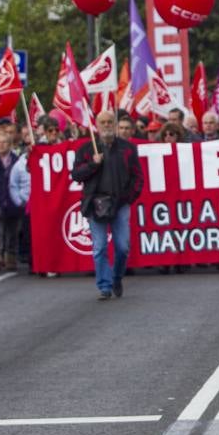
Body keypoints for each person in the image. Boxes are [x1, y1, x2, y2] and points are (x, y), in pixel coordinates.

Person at [70, 110, 143, 301]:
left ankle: (117, 276)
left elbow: (138, 176)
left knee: (123, 247)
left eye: (110, 122)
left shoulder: (127, 149)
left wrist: (129, 198)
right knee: (100, 247)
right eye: (103, 122)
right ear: (97, 125)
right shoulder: (86, 150)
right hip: (96, 204)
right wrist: (93, 165)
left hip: (120, 204)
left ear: (115, 124)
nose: (107, 125)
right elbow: (76, 175)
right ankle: (104, 285)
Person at [0, 127, 22, 272]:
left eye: (4, 143)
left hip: (13, 198)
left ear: (9, 144)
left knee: (13, 230)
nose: (1, 145)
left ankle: (11, 257)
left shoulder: (17, 160)